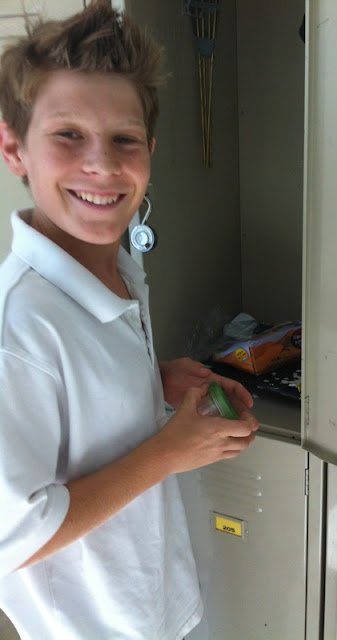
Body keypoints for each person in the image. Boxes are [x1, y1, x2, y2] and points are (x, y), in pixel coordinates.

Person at [0, 2, 258, 639]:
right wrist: (170, 452)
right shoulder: (17, 327)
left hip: (152, 608)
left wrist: (151, 380)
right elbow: (13, 536)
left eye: (125, 140)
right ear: (14, 149)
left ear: (150, 150)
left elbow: (73, 397)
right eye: (68, 135)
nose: (104, 165)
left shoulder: (116, 268)